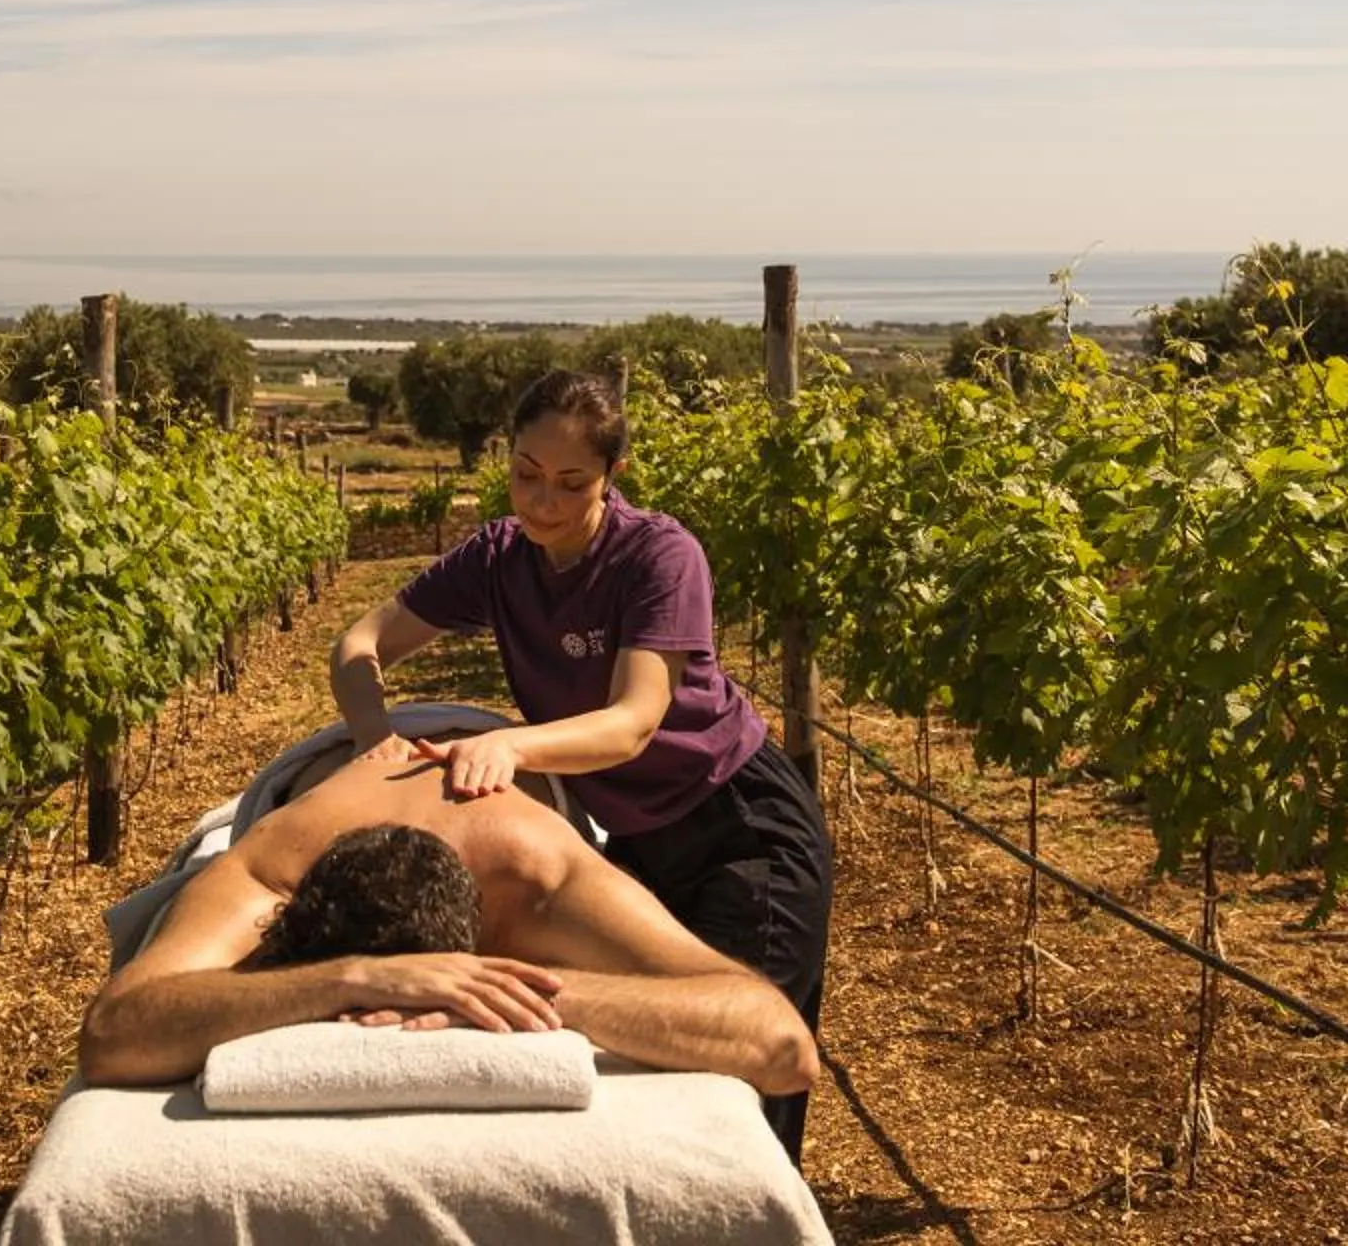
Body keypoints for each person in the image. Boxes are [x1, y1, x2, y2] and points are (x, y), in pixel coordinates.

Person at [328, 368, 834, 1159]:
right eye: (526, 474)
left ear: (612, 477)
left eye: (570, 483)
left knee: (735, 1076)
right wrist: (372, 736)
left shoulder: (659, 556)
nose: (541, 503)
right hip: (634, 839)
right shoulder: (498, 556)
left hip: (739, 830)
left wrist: (507, 743)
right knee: (646, 1064)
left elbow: (632, 723)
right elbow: (360, 644)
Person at [77, 733, 817, 1098]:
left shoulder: (544, 880)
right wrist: (348, 979)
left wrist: (511, 988)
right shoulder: (274, 867)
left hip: (483, 743)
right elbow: (114, 1033)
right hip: (333, 759)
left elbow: (782, 1045)